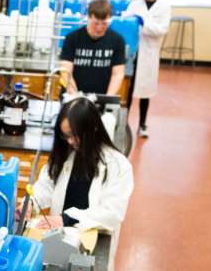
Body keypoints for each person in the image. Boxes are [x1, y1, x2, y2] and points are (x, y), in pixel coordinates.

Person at [28, 96, 134, 233]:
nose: (70, 141)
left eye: (74, 135)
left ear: (93, 128)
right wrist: (31, 203)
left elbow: (112, 213)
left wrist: (67, 219)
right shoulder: (65, 153)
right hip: (57, 235)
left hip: (93, 237)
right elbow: (46, 186)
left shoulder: (118, 165)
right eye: (65, 135)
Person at [127, 0, 172, 137]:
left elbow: (162, 30)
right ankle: (124, 122)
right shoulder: (134, 5)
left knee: (145, 92)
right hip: (133, 51)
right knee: (128, 89)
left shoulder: (164, 8)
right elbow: (126, 21)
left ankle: (142, 124)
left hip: (149, 52)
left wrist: (144, 23)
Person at [59, 0, 127, 96]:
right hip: (73, 96)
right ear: (89, 17)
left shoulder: (117, 41)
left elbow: (118, 73)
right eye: (95, 23)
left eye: (104, 23)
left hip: (101, 96)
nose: (99, 28)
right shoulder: (72, 38)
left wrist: (107, 98)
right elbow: (66, 71)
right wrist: (76, 96)